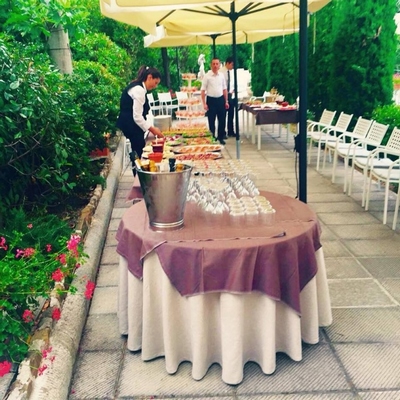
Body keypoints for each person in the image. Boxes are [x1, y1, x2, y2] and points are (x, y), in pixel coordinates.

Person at [117, 66, 164, 161]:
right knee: (139, 151)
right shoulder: (139, 90)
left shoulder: (137, 87)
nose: (155, 86)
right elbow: (137, 116)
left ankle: (137, 166)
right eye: (155, 83)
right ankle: (138, 169)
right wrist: (153, 129)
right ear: (149, 77)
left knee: (139, 149)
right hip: (130, 125)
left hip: (130, 124)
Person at [201, 57, 229, 145]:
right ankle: (212, 137)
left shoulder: (221, 76)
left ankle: (220, 137)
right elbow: (203, 90)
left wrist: (226, 101)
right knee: (211, 120)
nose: (215, 66)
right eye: (213, 64)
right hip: (211, 100)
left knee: (222, 119)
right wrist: (204, 103)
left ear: (219, 65)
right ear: (211, 65)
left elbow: (224, 89)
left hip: (220, 99)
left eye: (217, 64)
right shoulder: (207, 76)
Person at [221, 56, 236, 138]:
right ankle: (222, 132)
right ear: (227, 63)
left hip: (229, 94)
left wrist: (231, 91)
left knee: (231, 113)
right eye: (232, 64)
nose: (232, 66)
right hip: (222, 95)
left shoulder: (230, 72)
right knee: (223, 114)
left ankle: (231, 131)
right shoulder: (221, 72)